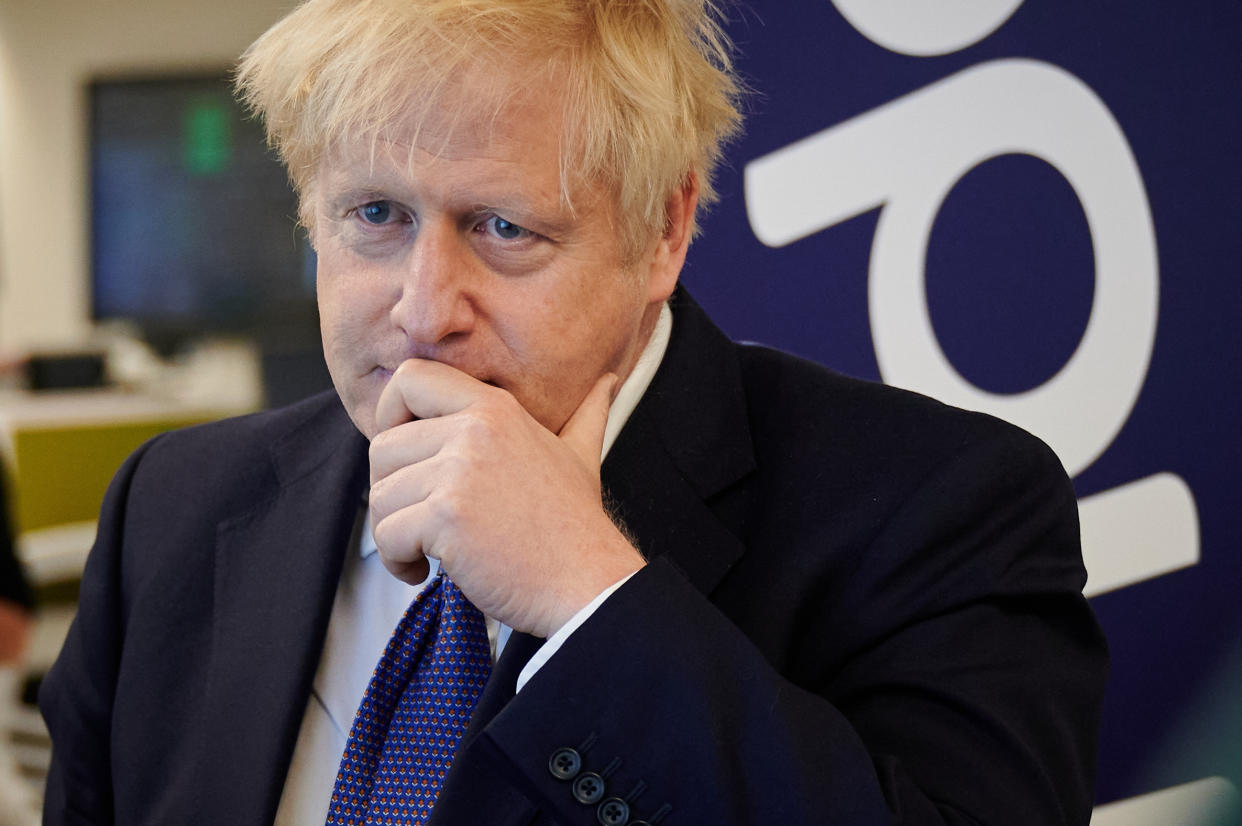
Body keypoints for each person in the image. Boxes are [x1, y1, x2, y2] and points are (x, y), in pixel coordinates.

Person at [39, 1, 1109, 824]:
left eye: (503, 227)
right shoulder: (176, 503)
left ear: (664, 230)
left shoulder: (941, 505)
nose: (423, 312)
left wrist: (591, 599)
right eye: (374, 215)